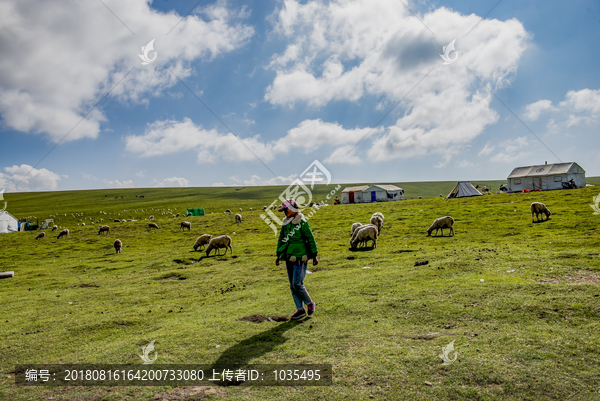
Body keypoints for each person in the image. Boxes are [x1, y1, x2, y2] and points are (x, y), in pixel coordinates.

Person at [275, 199, 318, 320]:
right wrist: (278, 254)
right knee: (292, 285)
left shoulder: (302, 223)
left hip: (300, 257)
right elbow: (281, 239)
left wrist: (314, 255)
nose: (284, 212)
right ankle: (300, 309)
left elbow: (310, 238)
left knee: (297, 284)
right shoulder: (285, 223)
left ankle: (310, 303)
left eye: (286, 209)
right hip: (289, 256)